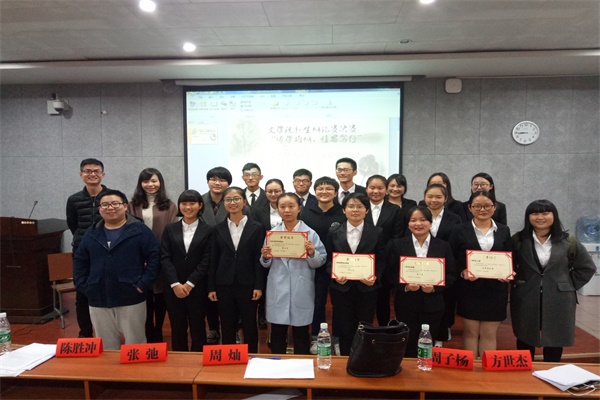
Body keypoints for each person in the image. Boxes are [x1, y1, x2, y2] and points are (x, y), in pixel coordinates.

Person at [73, 190, 159, 350]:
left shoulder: (139, 230)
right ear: (99, 209)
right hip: (98, 296)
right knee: (106, 347)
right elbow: (79, 260)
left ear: (125, 206)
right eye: (105, 205)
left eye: (115, 204)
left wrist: (143, 284)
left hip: (131, 295)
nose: (110, 208)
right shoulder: (92, 232)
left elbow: (155, 258)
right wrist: (84, 286)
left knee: (135, 345)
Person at [511, 200, 595, 362]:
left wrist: (568, 285)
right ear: (528, 217)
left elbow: (586, 267)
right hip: (526, 295)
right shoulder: (518, 240)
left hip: (559, 297)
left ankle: (551, 370)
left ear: (554, 216)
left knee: (555, 336)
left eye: (545, 213)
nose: (540, 217)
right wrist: (516, 282)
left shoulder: (568, 240)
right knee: (524, 334)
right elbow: (508, 264)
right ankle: (523, 371)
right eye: (535, 213)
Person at [260, 193, 326, 354]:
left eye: (291, 206)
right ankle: (277, 363)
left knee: (301, 332)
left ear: (299, 208)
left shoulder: (310, 233)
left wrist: (312, 253)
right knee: (277, 332)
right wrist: (265, 256)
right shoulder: (273, 234)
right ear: (277, 209)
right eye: (282, 207)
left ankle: (301, 364)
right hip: (278, 286)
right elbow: (265, 263)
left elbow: (320, 261)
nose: (287, 210)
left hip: (301, 286)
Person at [386, 206, 456, 357]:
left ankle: (425, 368)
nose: (418, 224)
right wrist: (405, 286)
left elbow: (451, 274)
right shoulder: (397, 245)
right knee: (407, 343)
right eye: (413, 220)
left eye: (422, 220)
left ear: (430, 223)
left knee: (427, 343)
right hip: (406, 302)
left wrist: (434, 288)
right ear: (408, 224)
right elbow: (390, 272)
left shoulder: (443, 246)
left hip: (433, 303)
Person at [449, 191, 513, 358]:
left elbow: (510, 256)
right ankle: (470, 369)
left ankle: (487, 369)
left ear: (494, 207)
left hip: (496, 289)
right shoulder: (459, 230)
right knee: (471, 332)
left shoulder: (504, 230)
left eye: (487, 206)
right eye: (477, 206)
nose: (482, 209)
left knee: (489, 333)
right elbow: (452, 258)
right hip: (469, 288)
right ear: (470, 208)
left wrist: (509, 272)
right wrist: (462, 271)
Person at [326, 193, 385, 355]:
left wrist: (375, 276)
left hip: (367, 288)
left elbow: (381, 259)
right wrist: (334, 274)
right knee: (344, 326)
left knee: (365, 326)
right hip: (341, 287)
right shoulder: (334, 231)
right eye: (351, 206)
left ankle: (363, 358)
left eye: (360, 206)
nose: (355, 210)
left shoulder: (377, 232)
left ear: (367, 210)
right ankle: (345, 358)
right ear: (343, 210)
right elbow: (329, 259)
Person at [208, 187, 266, 353]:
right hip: (223, 283)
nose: (232, 203)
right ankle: (229, 357)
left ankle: (252, 356)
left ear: (244, 202)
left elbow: (258, 259)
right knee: (227, 323)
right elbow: (213, 259)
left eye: (236, 199)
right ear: (223, 203)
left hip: (248, 283)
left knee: (249, 323)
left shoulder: (257, 228)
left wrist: (258, 286)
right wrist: (211, 287)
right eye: (228, 200)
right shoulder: (217, 229)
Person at [201, 166, 250, 343]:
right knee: (210, 295)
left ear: (228, 183)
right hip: (203, 254)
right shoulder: (199, 201)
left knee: (231, 299)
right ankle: (213, 328)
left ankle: (233, 330)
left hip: (229, 256)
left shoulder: (237, 202)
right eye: (213, 179)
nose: (217, 183)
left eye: (221, 180)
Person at [129, 167, 178, 343]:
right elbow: (130, 231)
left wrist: (160, 255)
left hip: (162, 255)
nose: (150, 184)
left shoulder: (170, 205)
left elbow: (172, 232)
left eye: (154, 181)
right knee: (145, 295)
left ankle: (158, 329)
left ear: (160, 182)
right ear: (140, 184)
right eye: (146, 181)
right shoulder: (132, 205)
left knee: (160, 295)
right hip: (139, 257)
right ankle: (148, 329)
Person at [161, 190, 212, 351]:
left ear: (200, 205)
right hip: (174, 288)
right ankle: (179, 360)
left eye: (192, 203)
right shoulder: (170, 229)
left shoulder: (209, 230)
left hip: (197, 287)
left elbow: (207, 260)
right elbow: (165, 258)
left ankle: (198, 360)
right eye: (184, 203)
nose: (188, 207)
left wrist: (190, 283)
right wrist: (175, 283)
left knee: (198, 327)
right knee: (177, 327)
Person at [300, 176, 346, 349]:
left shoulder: (342, 212)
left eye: (328, 189)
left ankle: (338, 338)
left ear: (335, 192)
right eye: (320, 188)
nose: (324, 192)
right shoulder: (306, 213)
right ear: (315, 191)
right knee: (317, 302)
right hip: (315, 265)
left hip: (338, 265)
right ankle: (317, 337)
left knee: (338, 304)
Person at [66, 158, 110, 338]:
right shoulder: (74, 200)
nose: (92, 174)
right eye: (88, 171)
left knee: (107, 289)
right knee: (82, 293)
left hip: (107, 251)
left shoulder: (111, 197)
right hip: (82, 252)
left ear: (103, 174)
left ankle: (107, 333)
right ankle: (85, 333)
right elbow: (73, 225)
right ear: (81, 174)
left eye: (96, 171)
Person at [423, 183, 462, 346]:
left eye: (438, 197)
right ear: (424, 198)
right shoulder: (419, 215)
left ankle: (440, 335)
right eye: (430, 196)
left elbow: (457, 243)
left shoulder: (454, 218)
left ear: (445, 198)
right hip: (420, 265)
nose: (434, 200)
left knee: (445, 301)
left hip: (446, 265)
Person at [364, 174, 405, 327]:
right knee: (364, 301)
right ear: (366, 189)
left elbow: (396, 237)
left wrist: (381, 256)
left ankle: (383, 332)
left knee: (383, 299)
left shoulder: (395, 210)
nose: (376, 191)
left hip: (386, 263)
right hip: (362, 263)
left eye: (380, 188)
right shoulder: (359, 207)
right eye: (372, 188)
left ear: (386, 189)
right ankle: (364, 332)